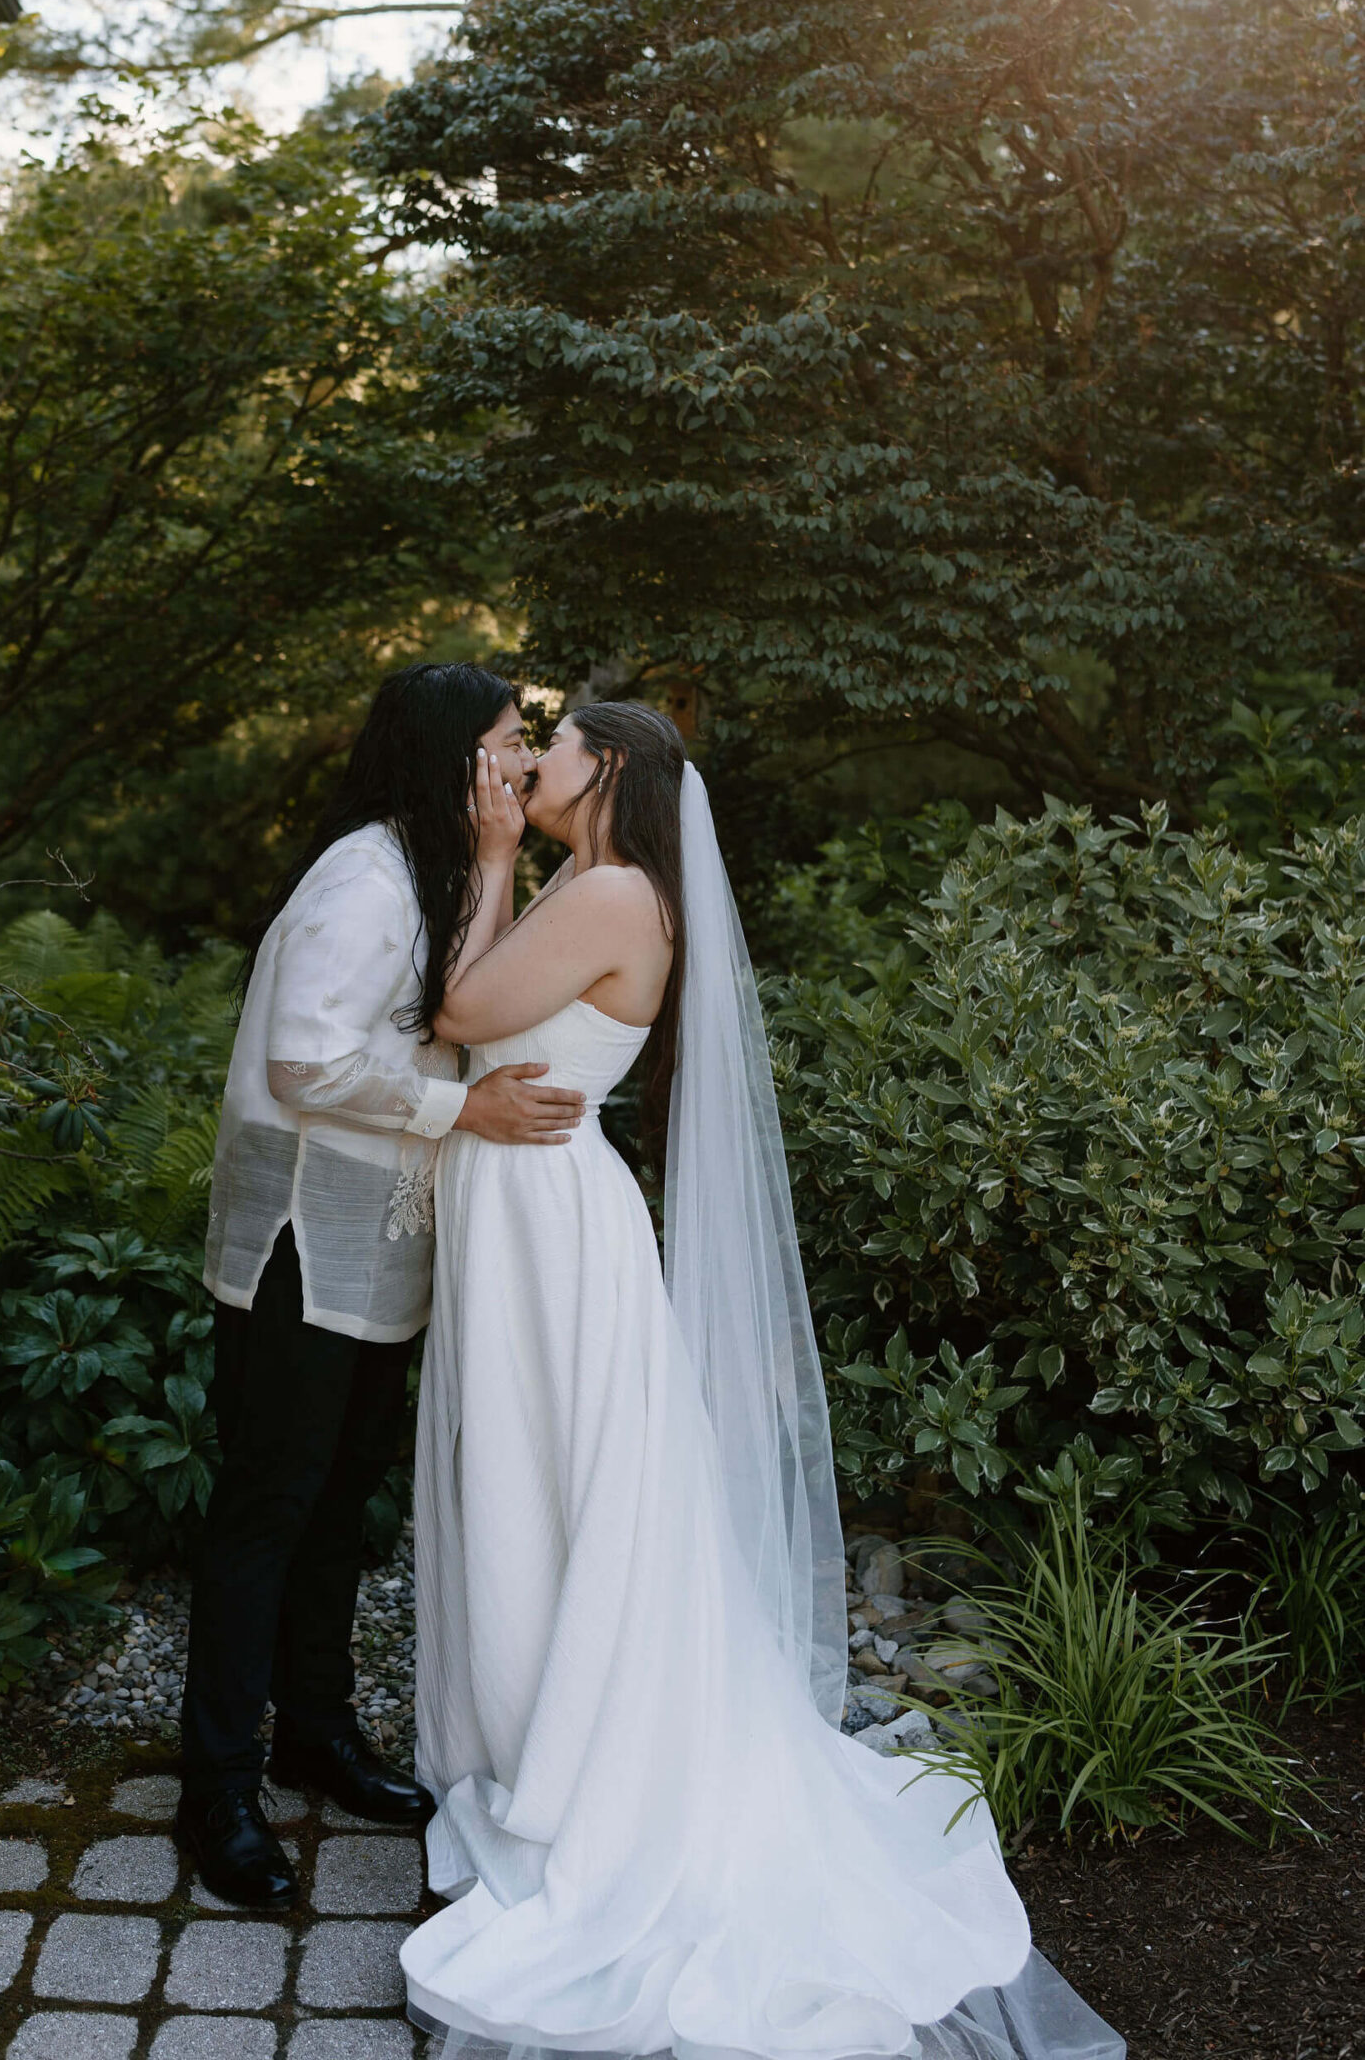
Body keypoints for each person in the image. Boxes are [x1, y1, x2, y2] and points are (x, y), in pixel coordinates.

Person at [401, 702, 1124, 2060]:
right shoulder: (597, 881)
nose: (521, 763)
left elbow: (458, 1011)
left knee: (553, 1481)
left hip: (551, 1227)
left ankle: (580, 1761)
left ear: (604, 769)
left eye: (543, 748)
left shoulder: (610, 889)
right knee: (529, 1483)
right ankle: (533, 1730)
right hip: (524, 1213)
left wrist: (488, 858)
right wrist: (506, 865)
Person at [177, 663, 587, 1910]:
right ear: (449, 754)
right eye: (510, 744)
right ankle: (217, 1789)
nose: (522, 761)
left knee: (343, 1497)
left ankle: (315, 1729)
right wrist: (458, 1108)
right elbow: (306, 1062)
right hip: (305, 1235)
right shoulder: (363, 879)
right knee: (270, 1506)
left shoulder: (435, 868)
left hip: (385, 1235)